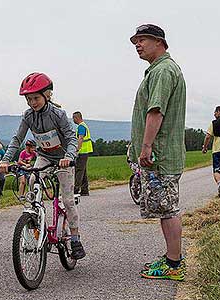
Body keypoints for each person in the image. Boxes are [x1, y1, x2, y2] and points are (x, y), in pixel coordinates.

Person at [0, 72, 86, 259]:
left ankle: (76, 239)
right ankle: (37, 225)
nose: (32, 103)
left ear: (47, 95)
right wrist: (5, 160)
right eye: (28, 99)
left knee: (68, 200)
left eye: (36, 98)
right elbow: (17, 139)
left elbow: (71, 138)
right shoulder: (28, 116)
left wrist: (69, 156)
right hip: (44, 156)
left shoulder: (58, 114)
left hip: (64, 158)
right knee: (32, 181)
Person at [129, 24, 187, 281]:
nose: (138, 45)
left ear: (159, 42)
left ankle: (174, 265)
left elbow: (156, 111)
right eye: (135, 42)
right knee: (165, 208)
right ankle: (171, 257)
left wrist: (146, 146)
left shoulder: (163, 70)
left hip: (160, 155)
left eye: (142, 40)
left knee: (168, 209)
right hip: (162, 154)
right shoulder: (160, 70)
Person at [72, 111, 93, 196]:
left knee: (79, 171)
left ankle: (76, 189)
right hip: (85, 151)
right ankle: (84, 190)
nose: (73, 120)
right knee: (83, 171)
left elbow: (80, 139)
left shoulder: (81, 127)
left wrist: (77, 149)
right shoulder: (84, 125)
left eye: (73, 118)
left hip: (82, 151)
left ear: (77, 118)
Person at [202, 106, 220, 196]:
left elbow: (208, 136)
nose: (214, 114)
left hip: (217, 150)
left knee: (217, 170)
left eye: (215, 112)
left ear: (219, 112)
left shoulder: (214, 123)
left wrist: (205, 147)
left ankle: (219, 184)